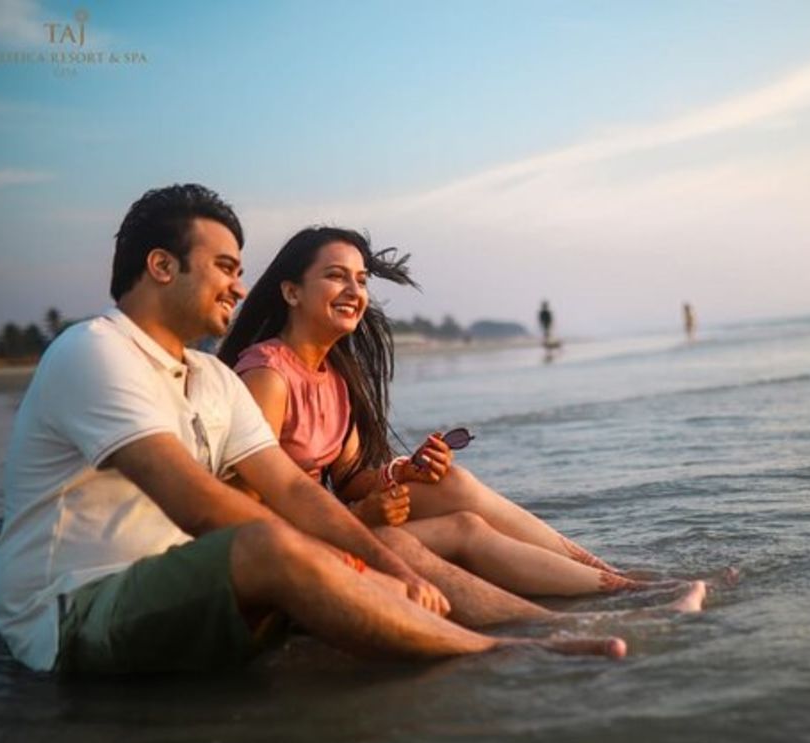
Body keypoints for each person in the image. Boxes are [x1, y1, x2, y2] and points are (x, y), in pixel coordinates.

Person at [0, 184, 626, 675]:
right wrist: (356, 562)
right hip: (71, 614)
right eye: (225, 267)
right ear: (161, 265)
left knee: (389, 550)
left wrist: (386, 568)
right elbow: (200, 503)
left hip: (185, 586)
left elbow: (295, 491)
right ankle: (502, 653)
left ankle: (566, 617)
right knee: (276, 545)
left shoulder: (210, 377)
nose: (239, 287)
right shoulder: (94, 352)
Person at [217, 227, 704, 605]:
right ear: (291, 292)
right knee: (466, 526)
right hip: (284, 542)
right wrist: (358, 518)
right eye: (335, 276)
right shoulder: (268, 376)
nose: (353, 289)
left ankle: (612, 574)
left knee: (453, 484)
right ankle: (621, 593)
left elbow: (345, 478)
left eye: (361, 280)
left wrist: (401, 472)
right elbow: (244, 501)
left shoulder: (334, 375)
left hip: (326, 521)